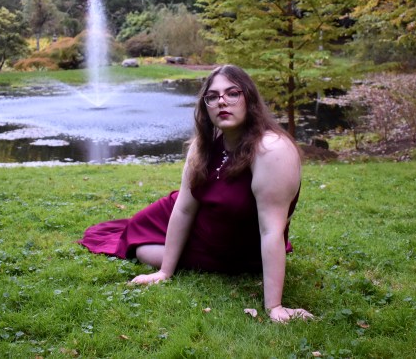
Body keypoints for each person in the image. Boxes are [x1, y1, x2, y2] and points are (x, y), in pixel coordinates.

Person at [78, 65, 313, 323]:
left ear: (250, 99)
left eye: (232, 93)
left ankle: (193, 253)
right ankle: (173, 250)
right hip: (193, 216)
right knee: (136, 235)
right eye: (212, 96)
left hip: (236, 244)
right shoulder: (205, 144)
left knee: (143, 250)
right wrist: (165, 272)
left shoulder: (271, 149)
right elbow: (183, 207)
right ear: (205, 106)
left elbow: (271, 230)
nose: (221, 101)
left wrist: (274, 307)